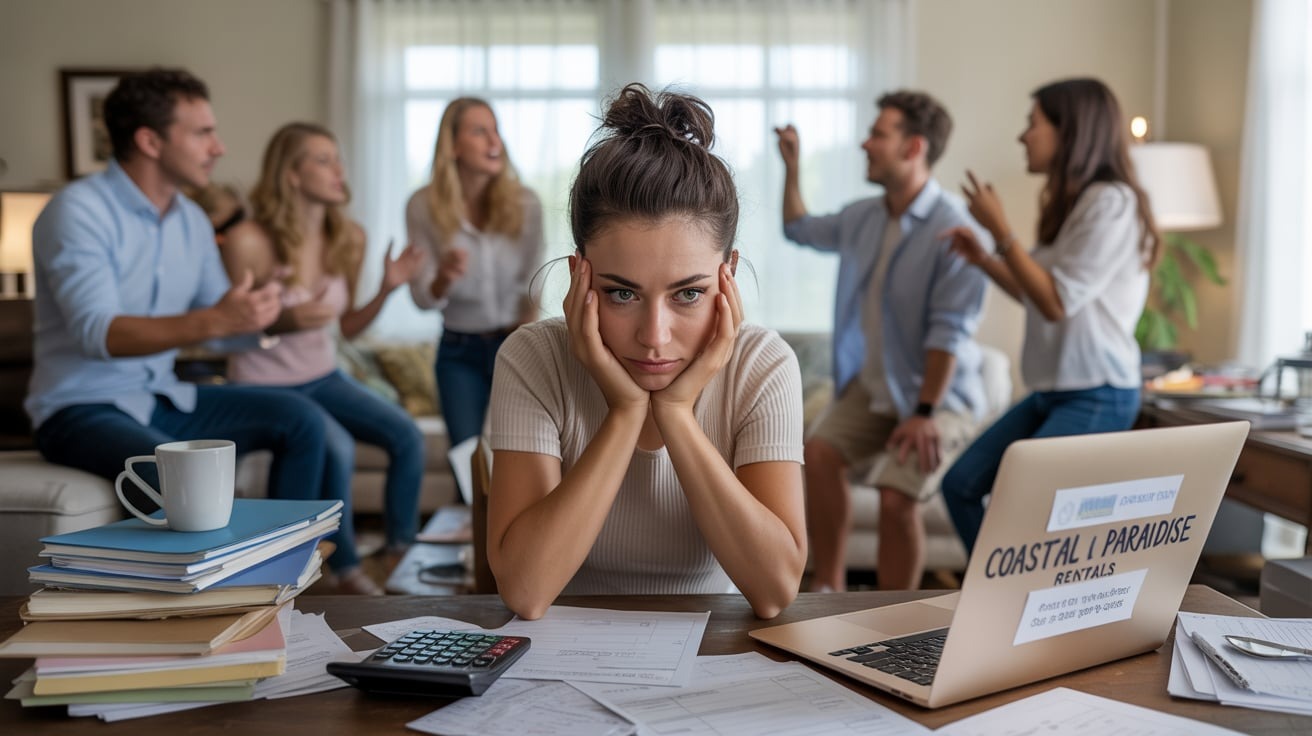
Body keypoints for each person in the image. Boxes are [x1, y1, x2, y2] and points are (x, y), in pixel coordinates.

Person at [486, 84, 807, 620]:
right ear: (579, 277)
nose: (654, 336)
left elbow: (774, 591)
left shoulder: (762, 366)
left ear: (727, 275)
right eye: (622, 294)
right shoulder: (533, 359)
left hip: (712, 642)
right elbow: (526, 591)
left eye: (688, 294)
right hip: (566, 644)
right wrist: (626, 411)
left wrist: (676, 413)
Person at [24, 68, 353, 582]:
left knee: (302, 418)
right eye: (203, 133)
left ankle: (283, 572)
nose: (219, 147)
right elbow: (100, 333)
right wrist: (219, 317)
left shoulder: (192, 222)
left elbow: (220, 325)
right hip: (80, 407)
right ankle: (238, 586)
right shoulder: (78, 211)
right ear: (150, 141)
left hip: (163, 396)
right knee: (183, 479)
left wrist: (269, 316)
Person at [776, 91, 990, 592]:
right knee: (819, 453)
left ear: (913, 148)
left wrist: (924, 411)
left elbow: (949, 332)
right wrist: (792, 167)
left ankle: (893, 615)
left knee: (896, 498)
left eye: (878, 134)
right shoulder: (862, 218)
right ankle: (828, 590)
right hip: (874, 391)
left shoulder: (956, 230)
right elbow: (798, 228)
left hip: (938, 399)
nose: (865, 143)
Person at [940, 78, 1159, 554]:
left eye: (1032, 123)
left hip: (1098, 392)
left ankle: (1020, 594)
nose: (1023, 136)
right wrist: (984, 259)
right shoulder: (1076, 204)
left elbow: (1057, 302)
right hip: (1054, 392)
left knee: (1027, 510)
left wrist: (1002, 231)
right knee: (960, 484)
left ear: (1070, 131)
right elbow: (1036, 294)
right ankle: (1003, 592)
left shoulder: (1112, 203)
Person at [221, 122, 427, 588]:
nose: (339, 170)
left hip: (322, 375)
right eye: (323, 160)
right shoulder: (249, 241)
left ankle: (400, 555)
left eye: (338, 159)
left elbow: (346, 326)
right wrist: (284, 321)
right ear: (291, 174)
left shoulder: (348, 238)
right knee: (338, 445)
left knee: (408, 437)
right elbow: (227, 328)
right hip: (262, 383)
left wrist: (387, 289)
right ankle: (346, 567)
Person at [406, 98, 545, 449]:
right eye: (480, 131)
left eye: (496, 130)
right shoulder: (422, 205)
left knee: (517, 454)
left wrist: (524, 340)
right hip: (458, 353)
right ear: (452, 146)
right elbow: (422, 298)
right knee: (467, 460)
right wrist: (443, 277)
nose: (495, 141)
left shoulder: (526, 202)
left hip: (515, 344)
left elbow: (535, 278)